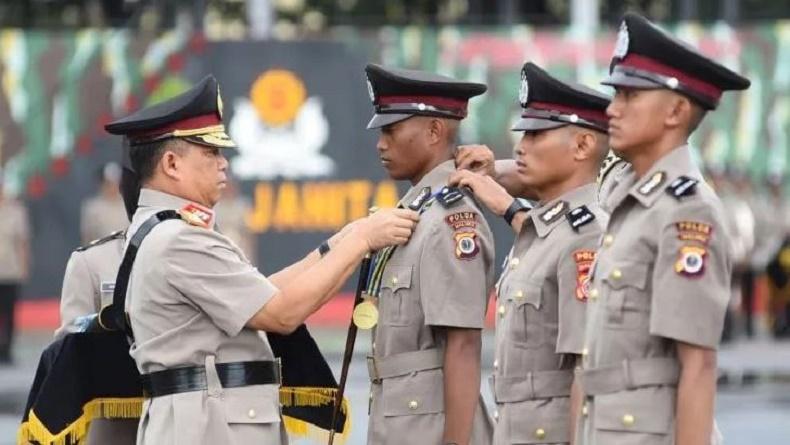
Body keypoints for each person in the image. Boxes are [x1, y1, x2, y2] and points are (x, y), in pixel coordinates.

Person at [104, 75, 419, 444]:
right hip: (208, 427)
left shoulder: (170, 231)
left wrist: (341, 241)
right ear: (171, 164)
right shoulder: (180, 239)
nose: (224, 164)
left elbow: (261, 293)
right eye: (210, 153)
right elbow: (280, 313)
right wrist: (364, 239)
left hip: (207, 421)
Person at [576, 12, 750, 445]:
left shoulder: (686, 211)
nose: (611, 109)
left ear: (676, 110)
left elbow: (698, 366)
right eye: (615, 94)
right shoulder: (633, 200)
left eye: (629, 95)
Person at [450, 62, 609, 445]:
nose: (521, 146)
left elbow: (585, 373)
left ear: (583, 145)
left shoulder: (585, 234)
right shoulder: (548, 226)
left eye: (536, 135)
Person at [363, 64, 494, 445]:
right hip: (402, 420)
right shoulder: (418, 212)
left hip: (430, 427)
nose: (380, 144)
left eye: (390, 130)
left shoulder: (451, 220)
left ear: (435, 132)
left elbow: (464, 344)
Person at [0, 170, 30, 365]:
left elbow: (22, 242)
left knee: (9, 313)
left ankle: (7, 350)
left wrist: (24, 266)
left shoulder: (16, 210)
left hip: (10, 270)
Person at [81, 162, 129, 244]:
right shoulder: (92, 207)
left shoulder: (129, 205)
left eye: (116, 184)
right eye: (109, 184)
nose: (113, 188)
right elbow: (87, 236)